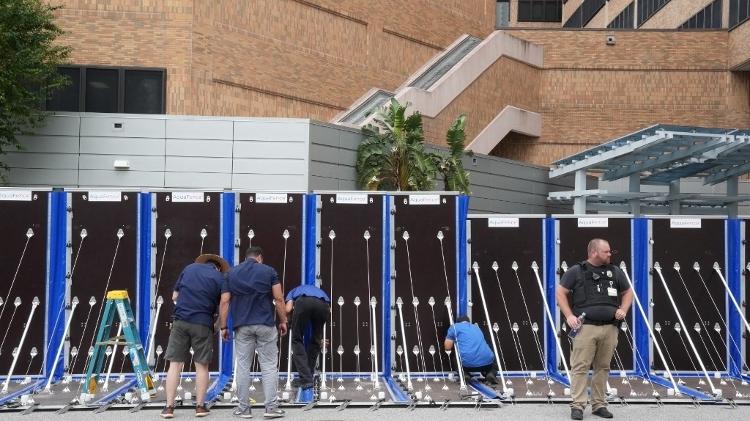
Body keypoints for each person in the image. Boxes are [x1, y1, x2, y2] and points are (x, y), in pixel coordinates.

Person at [556, 238, 634, 420]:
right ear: (593, 252)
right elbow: (560, 292)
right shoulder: (576, 271)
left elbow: (628, 292)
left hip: (610, 328)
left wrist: (623, 309)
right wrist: (569, 315)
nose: (610, 254)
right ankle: (577, 406)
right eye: (606, 251)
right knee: (580, 367)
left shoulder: (615, 271)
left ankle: (599, 405)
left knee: (603, 367)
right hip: (585, 328)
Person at [219, 246, 287, 419]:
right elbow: (278, 298)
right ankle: (271, 408)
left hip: (242, 326)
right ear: (260, 258)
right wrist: (283, 320)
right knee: (269, 365)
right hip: (265, 324)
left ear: (246, 258)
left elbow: (225, 302)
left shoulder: (231, 274)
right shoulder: (269, 271)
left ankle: (244, 409)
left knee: (242, 366)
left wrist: (223, 326)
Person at [161, 254, 229, 419]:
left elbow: (175, 296)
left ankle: (169, 408)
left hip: (180, 321)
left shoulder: (188, 269)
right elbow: (224, 304)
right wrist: (220, 326)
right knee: (201, 366)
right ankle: (200, 407)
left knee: (175, 365)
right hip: (203, 323)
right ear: (218, 267)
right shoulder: (220, 278)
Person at [284, 283, 330, 389]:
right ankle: (309, 375)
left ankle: (306, 379)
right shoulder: (320, 292)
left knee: (296, 339)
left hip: (303, 302)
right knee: (316, 341)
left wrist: (289, 321)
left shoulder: (293, 291)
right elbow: (329, 310)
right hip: (323, 305)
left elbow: (288, 309)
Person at [444, 316, 498, 384]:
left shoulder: (454, 327)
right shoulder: (476, 327)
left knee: (455, 357)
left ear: (458, 322)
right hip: (486, 362)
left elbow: (447, 347)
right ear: (469, 322)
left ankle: (464, 375)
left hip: (467, 364)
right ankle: (491, 373)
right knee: (491, 358)